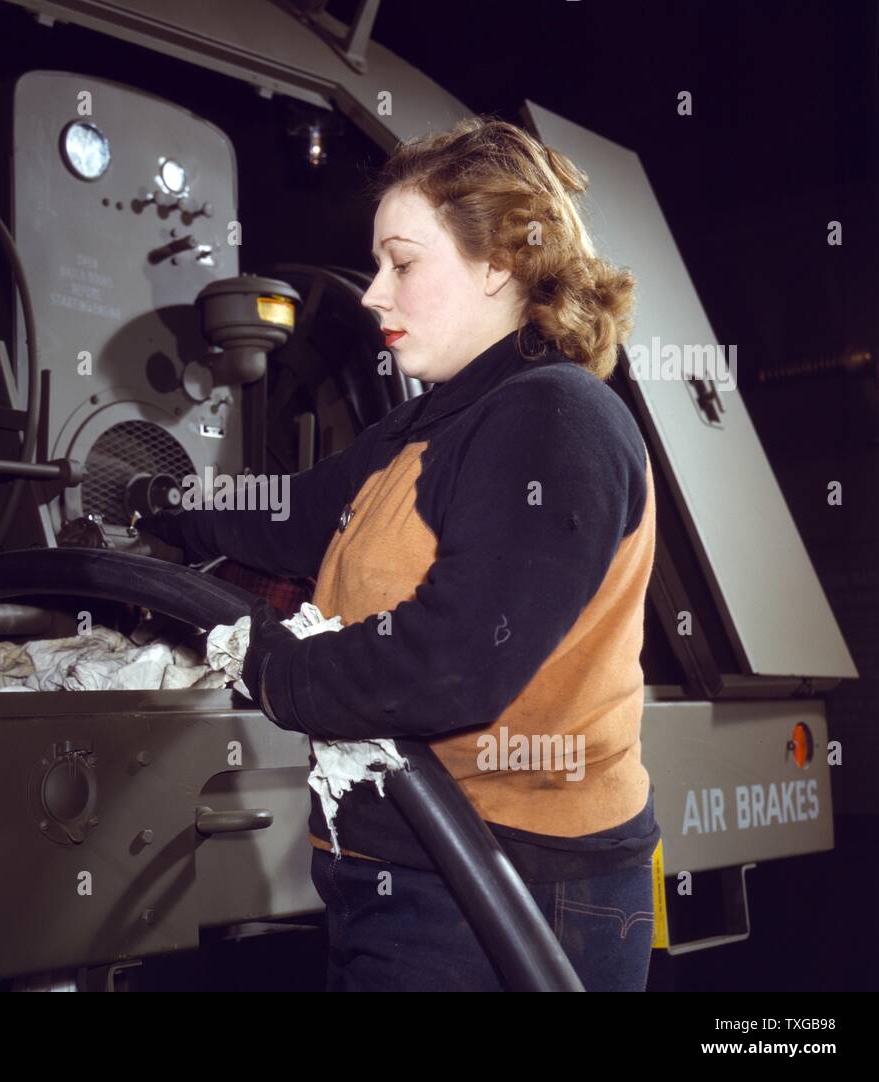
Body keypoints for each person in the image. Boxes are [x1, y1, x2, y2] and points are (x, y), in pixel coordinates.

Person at [138, 116, 660, 992]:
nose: (375, 294)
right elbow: (295, 515)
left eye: (403, 264)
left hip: (509, 888)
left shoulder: (553, 420)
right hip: (406, 880)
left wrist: (264, 662)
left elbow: (452, 664)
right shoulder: (436, 421)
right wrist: (163, 505)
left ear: (500, 262)